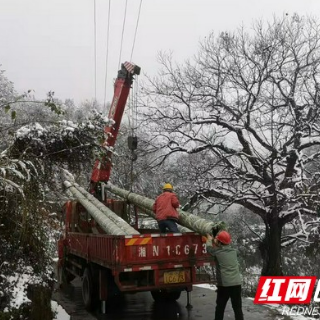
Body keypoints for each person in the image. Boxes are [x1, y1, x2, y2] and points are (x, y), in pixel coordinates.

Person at [206, 231, 244, 320]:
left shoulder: (217, 252)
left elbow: (209, 248)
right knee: (237, 308)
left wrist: (209, 239)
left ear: (219, 242)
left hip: (224, 285)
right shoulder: (234, 252)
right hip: (237, 284)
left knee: (220, 308)